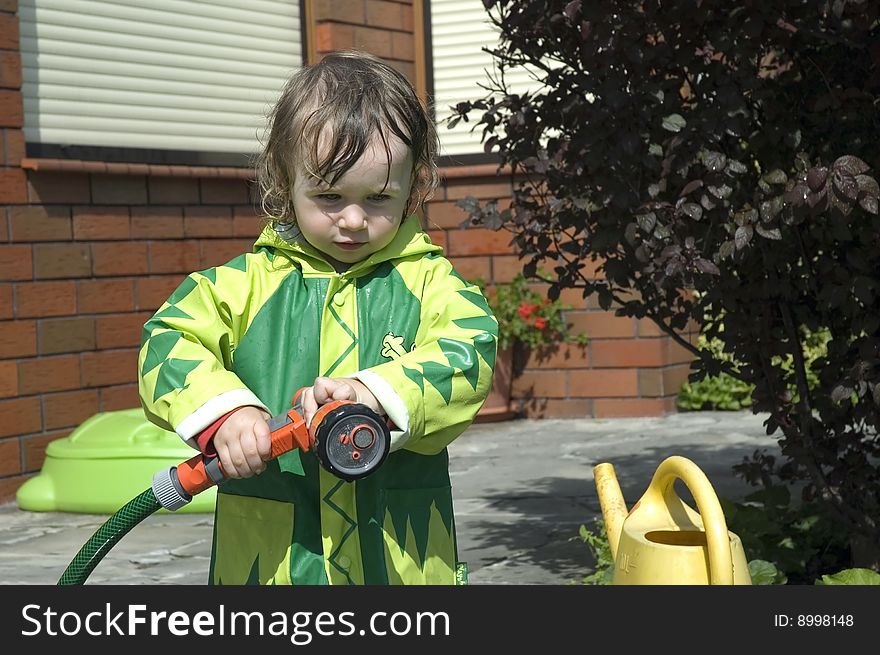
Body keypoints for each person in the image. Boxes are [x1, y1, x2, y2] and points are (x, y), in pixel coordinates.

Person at [137, 50, 498, 585]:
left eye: (378, 198)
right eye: (329, 195)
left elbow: (470, 353)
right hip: (274, 560)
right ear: (285, 180)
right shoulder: (240, 286)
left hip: (400, 557)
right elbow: (165, 343)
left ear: (414, 186)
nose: (353, 221)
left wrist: (378, 393)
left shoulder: (433, 285)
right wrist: (226, 414)